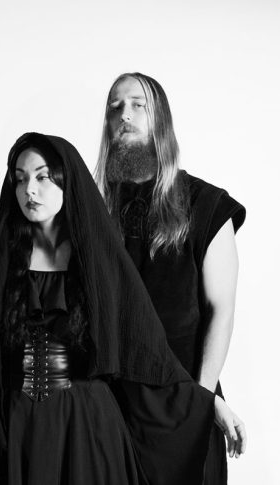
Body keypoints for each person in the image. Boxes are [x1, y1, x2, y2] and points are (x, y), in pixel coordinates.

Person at [0, 133, 242, 485]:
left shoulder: (98, 259)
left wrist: (209, 403)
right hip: (20, 430)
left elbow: (148, 353)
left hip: (88, 431)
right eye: (20, 179)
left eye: (43, 177)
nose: (29, 190)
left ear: (67, 182)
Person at [94, 72, 246, 483]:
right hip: (114, 409)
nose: (124, 115)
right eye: (114, 107)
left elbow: (221, 310)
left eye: (137, 105)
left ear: (160, 118)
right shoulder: (93, 211)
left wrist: (202, 397)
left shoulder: (206, 204)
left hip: (184, 401)